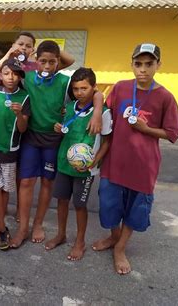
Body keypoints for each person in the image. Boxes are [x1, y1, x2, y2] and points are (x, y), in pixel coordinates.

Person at [1, 40, 103, 249]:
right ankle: (23, 229)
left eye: (52, 62)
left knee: (47, 183)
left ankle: (38, 224)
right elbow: (7, 70)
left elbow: (97, 92)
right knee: (27, 182)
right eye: (42, 61)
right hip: (31, 137)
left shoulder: (65, 81)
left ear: (58, 62)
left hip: (54, 141)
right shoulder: (27, 75)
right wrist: (29, 54)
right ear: (35, 61)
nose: (47, 66)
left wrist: (99, 111)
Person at [92, 44, 178, 274]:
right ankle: (114, 236)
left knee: (135, 209)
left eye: (149, 64)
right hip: (114, 162)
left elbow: (172, 134)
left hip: (143, 166)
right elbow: (105, 112)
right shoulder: (121, 88)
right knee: (109, 204)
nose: (143, 69)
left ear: (158, 65)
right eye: (138, 64)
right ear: (131, 64)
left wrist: (146, 128)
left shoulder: (165, 97)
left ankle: (120, 248)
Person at [0, 33, 75, 222]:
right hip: (26, 135)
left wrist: (41, 49)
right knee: (22, 178)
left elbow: (67, 62)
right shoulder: (20, 71)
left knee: (36, 179)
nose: (24, 48)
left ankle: (29, 217)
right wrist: (10, 54)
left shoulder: (45, 72)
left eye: (28, 45)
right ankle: (13, 215)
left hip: (44, 134)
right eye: (21, 44)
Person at [45, 67, 112, 260]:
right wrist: (60, 128)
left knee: (80, 205)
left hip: (85, 169)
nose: (79, 92)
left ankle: (80, 241)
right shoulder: (71, 107)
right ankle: (61, 234)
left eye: (84, 88)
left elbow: (107, 141)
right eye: (76, 89)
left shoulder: (103, 113)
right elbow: (67, 128)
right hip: (64, 164)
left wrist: (94, 162)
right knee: (61, 200)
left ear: (94, 88)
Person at [0, 58, 30, 250]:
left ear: (20, 77)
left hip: (10, 150)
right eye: (7, 73)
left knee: (5, 189)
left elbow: (23, 128)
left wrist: (19, 114)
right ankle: (2, 227)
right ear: (0, 75)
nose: (11, 77)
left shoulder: (24, 97)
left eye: (15, 74)